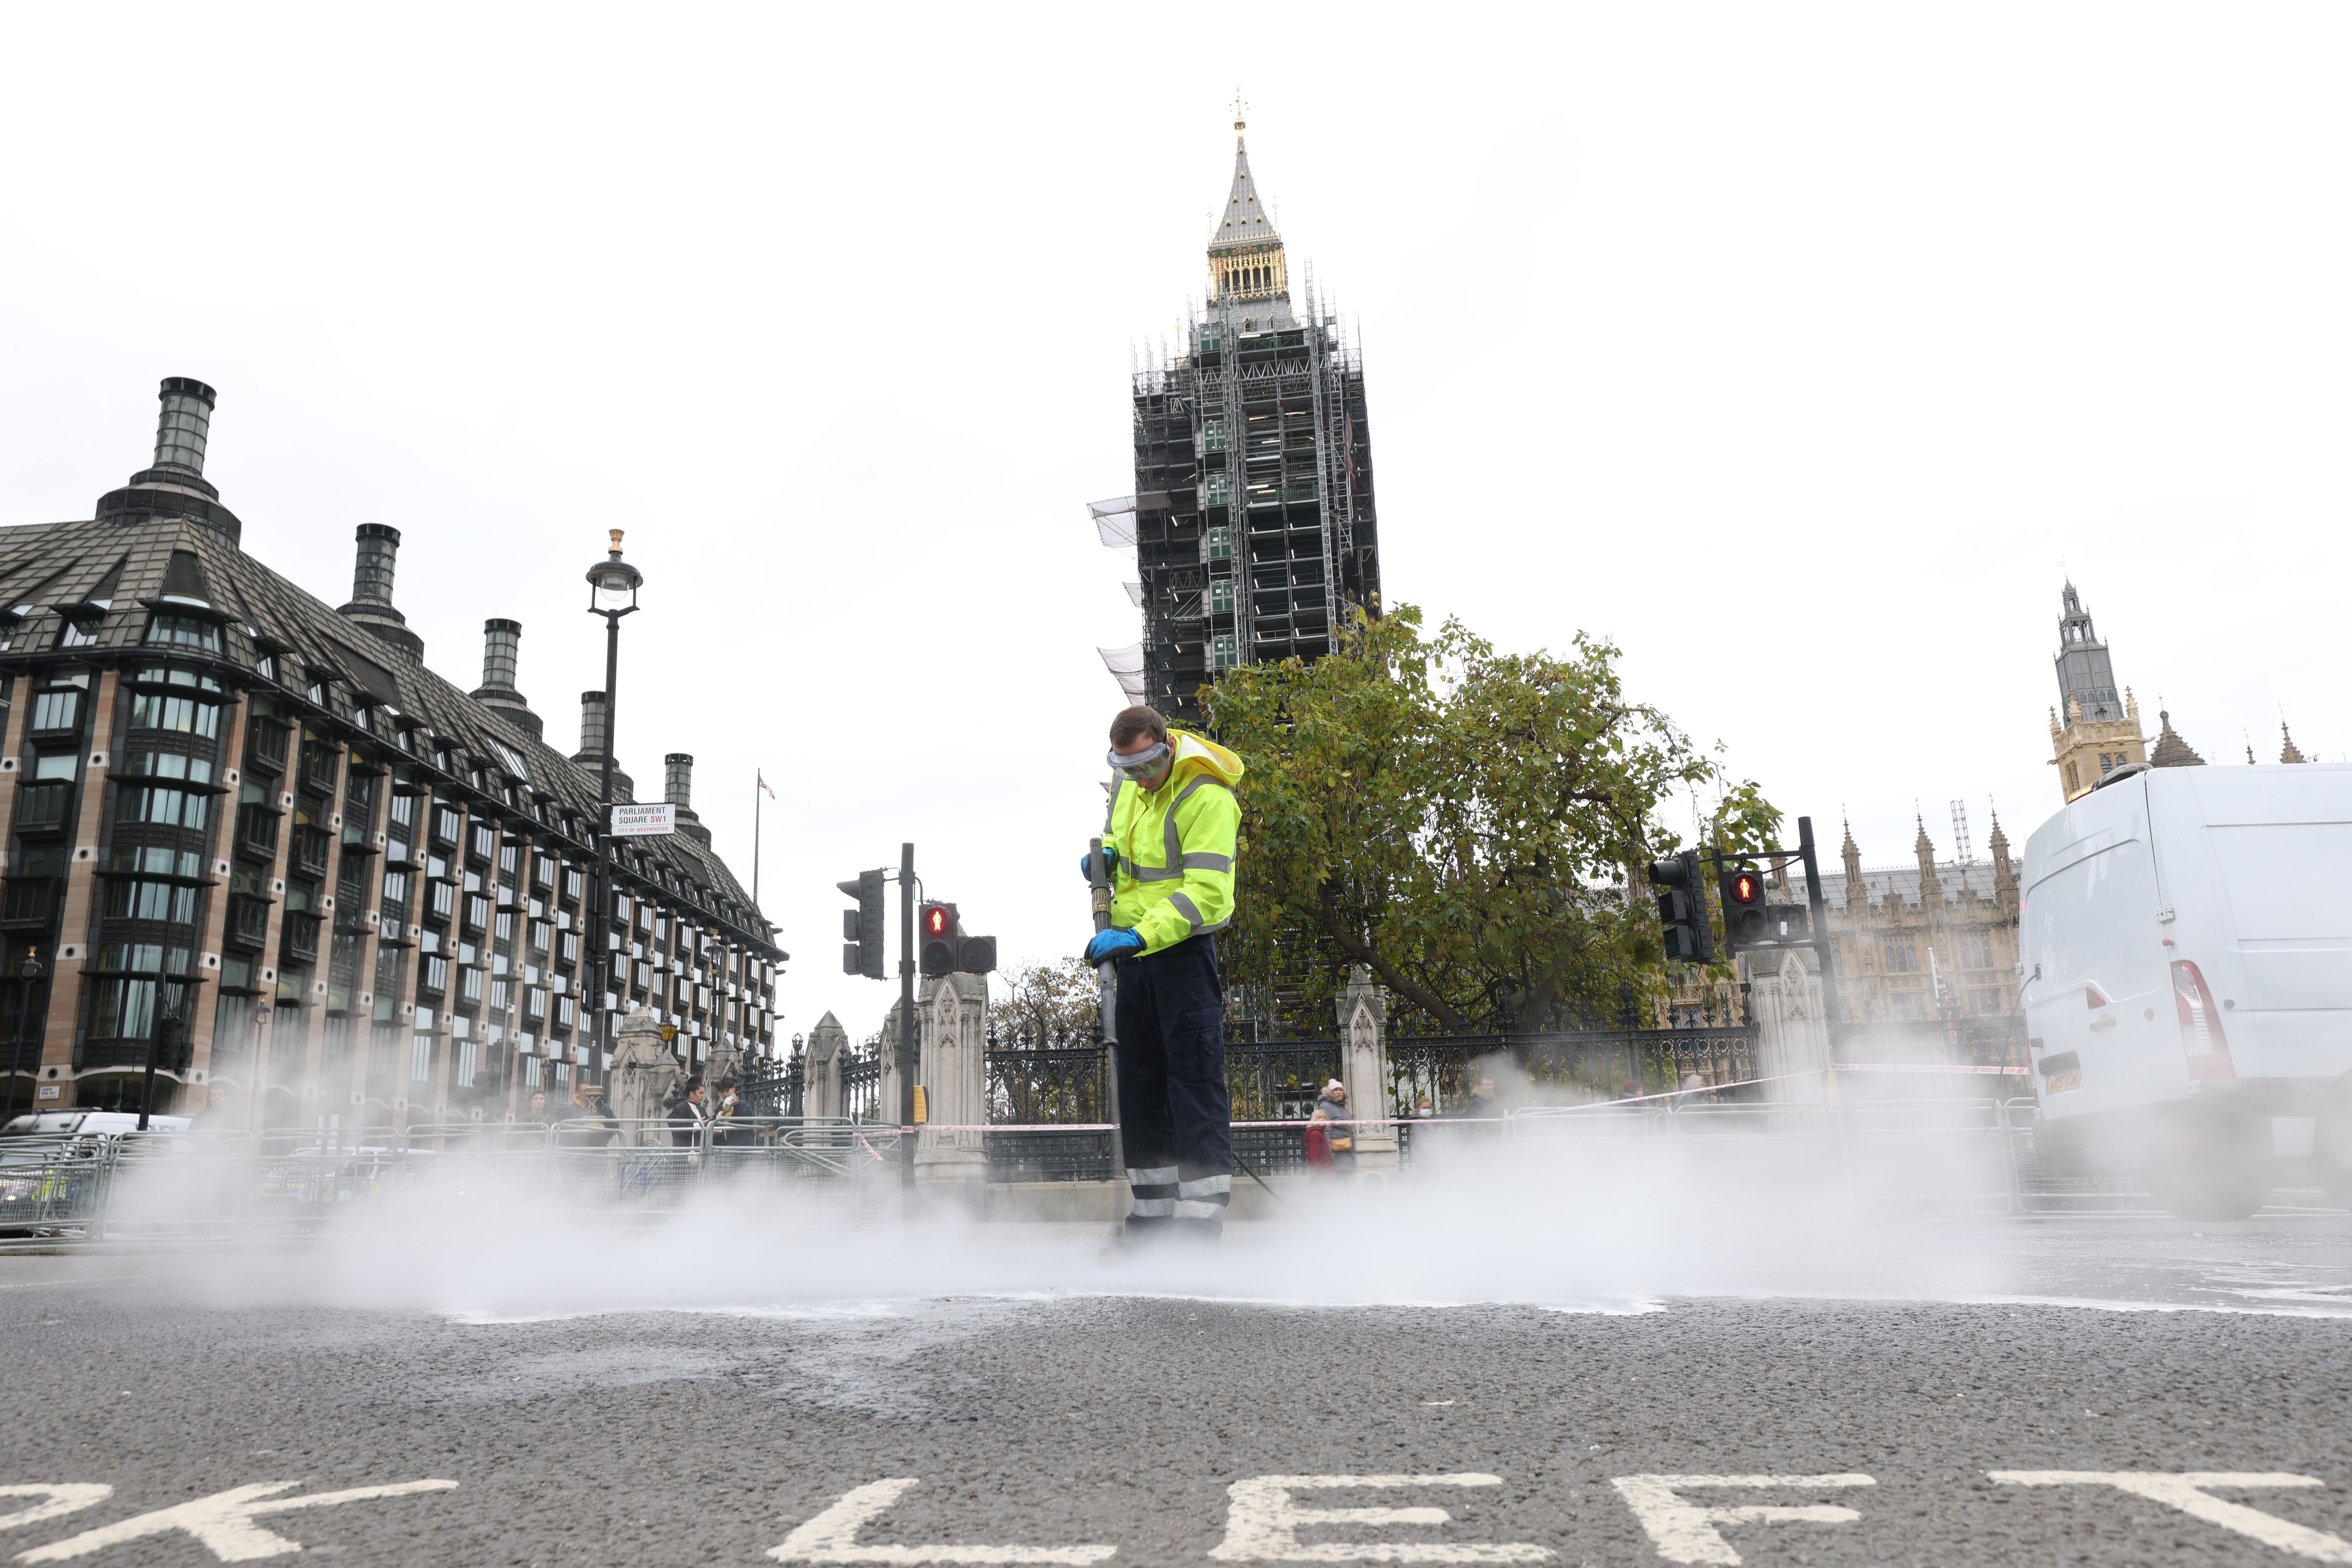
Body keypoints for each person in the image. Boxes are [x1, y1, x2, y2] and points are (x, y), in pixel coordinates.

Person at [1080, 704, 1245, 1245]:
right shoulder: (1126, 783)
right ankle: (1150, 1222)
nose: (1139, 777)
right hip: (1134, 958)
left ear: (1166, 746)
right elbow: (1117, 838)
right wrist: (1105, 858)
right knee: (1141, 1085)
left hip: (1181, 955)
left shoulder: (1207, 796)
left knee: (1192, 1082)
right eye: (1127, 768)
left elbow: (1208, 895)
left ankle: (1199, 1228)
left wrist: (1139, 935)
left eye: (1148, 765)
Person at [1314, 1079, 1356, 1174]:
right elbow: (1326, 1131)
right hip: (1337, 1155)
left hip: (1346, 1152)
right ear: (1330, 1092)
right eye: (1336, 1090)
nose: (1339, 1092)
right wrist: (1328, 1154)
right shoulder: (1328, 1106)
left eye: (1341, 1090)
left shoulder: (1340, 1106)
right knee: (1343, 1183)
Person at [669, 1077, 708, 1148]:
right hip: (684, 1152)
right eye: (700, 1093)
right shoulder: (680, 1109)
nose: (703, 1096)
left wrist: (722, 1114)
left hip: (701, 1151)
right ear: (692, 1094)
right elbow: (677, 1131)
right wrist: (698, 1125)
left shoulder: (702, 1110)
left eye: (703, 1093)